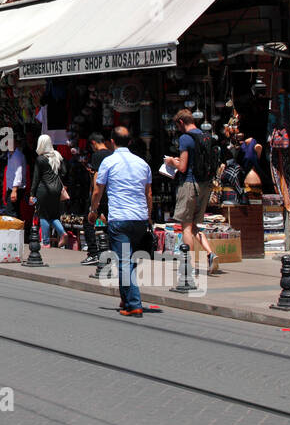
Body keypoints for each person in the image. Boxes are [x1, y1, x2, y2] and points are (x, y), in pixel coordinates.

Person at [89, 126, 154, 317]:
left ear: (112, 142)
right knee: (129, 260)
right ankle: (126, 299)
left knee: (124, 261)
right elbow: (148, 193)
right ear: (131, 142)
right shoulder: (143, 164)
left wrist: (93, 211)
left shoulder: (108, 162)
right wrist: (148, 216)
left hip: (120, 219)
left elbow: (97, 191)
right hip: (139, 219)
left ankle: (134, 303)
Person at [163, 110, 219, 273]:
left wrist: (171, 161)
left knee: (186, 227)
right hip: (204, 185)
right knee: (195, 226)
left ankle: (188, 264)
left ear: (181, 122)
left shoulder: (185, 138)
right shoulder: (204, 136)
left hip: (189, 185)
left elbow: (182, 167)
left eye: (177, 125)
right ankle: (210, 254)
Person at [80, 132, 112, 266]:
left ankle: (93, 253)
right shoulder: (112, 154)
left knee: (88, 222)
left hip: (100, 194)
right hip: (111, 194)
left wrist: (93, 201)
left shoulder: (97, 156)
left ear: (93, 143)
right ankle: (110, 251)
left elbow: (97, 178)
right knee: (110, 223)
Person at [31, 134, 65, 248]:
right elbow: (64, 172)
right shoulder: (58, 156)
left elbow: (36, 178)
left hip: (44, 190)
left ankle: (45, 242)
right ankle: (63, 233)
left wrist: (32, 194)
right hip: (56, 190)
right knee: (53, 214)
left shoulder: (40, 159)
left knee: (43, 215)